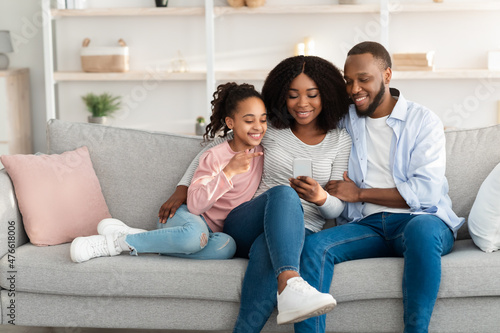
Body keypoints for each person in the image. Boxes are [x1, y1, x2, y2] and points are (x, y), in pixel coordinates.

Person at [160, 55, 352, 331]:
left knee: (267, 247)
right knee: (284, 194)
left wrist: (320, 197)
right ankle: (290, 282)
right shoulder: (270, 128)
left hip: (301, 230)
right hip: (248, 221)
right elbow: (213, 150)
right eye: (293, 95)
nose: (302, 103)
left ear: (327, 95)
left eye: (312, 95)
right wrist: (182, 189)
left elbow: (336, 210)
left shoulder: (339, 140)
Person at [295, 41, 465, 333]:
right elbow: (300, 111)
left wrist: (359, 193)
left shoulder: (423, 121)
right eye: (348, 81)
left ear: (387, 75)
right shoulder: (343, 120)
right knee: (314, 247)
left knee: (422, 230)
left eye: (364, 79)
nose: (354, 89)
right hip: (367, 225)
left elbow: (424, 195)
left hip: (421, 221)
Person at [70, 82, 270, 262]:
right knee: (193, 237)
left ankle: (145, 238)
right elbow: (195, 205)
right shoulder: (215, 157)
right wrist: (228, 172)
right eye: (249, 120)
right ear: (230, 123)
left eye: (263, 120)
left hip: (212, 235)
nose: (258, 127)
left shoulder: (262, 151)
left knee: (227, 247)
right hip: (185, 219)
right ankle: (114, 244)